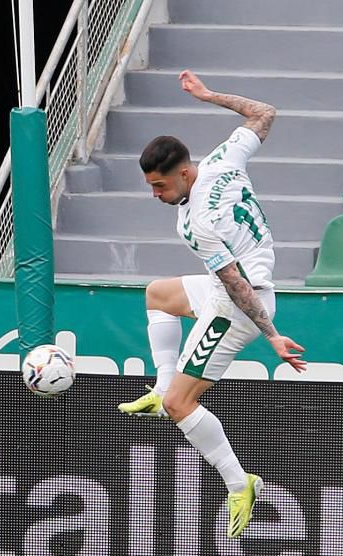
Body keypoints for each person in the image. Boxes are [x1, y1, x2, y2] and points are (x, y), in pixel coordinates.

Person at [117, 70, 307, 538]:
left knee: (184, 405)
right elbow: (264, 113)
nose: (155, 195)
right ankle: (161, 390)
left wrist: (271, 337)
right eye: (150, 186)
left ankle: (240, 483)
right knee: (158, 294)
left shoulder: (198, 221)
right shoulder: (223, 158)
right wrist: (207, 96)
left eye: (160, 186)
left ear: (183, 174)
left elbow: (236, 283)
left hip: (239, 306)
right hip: (229, 289)